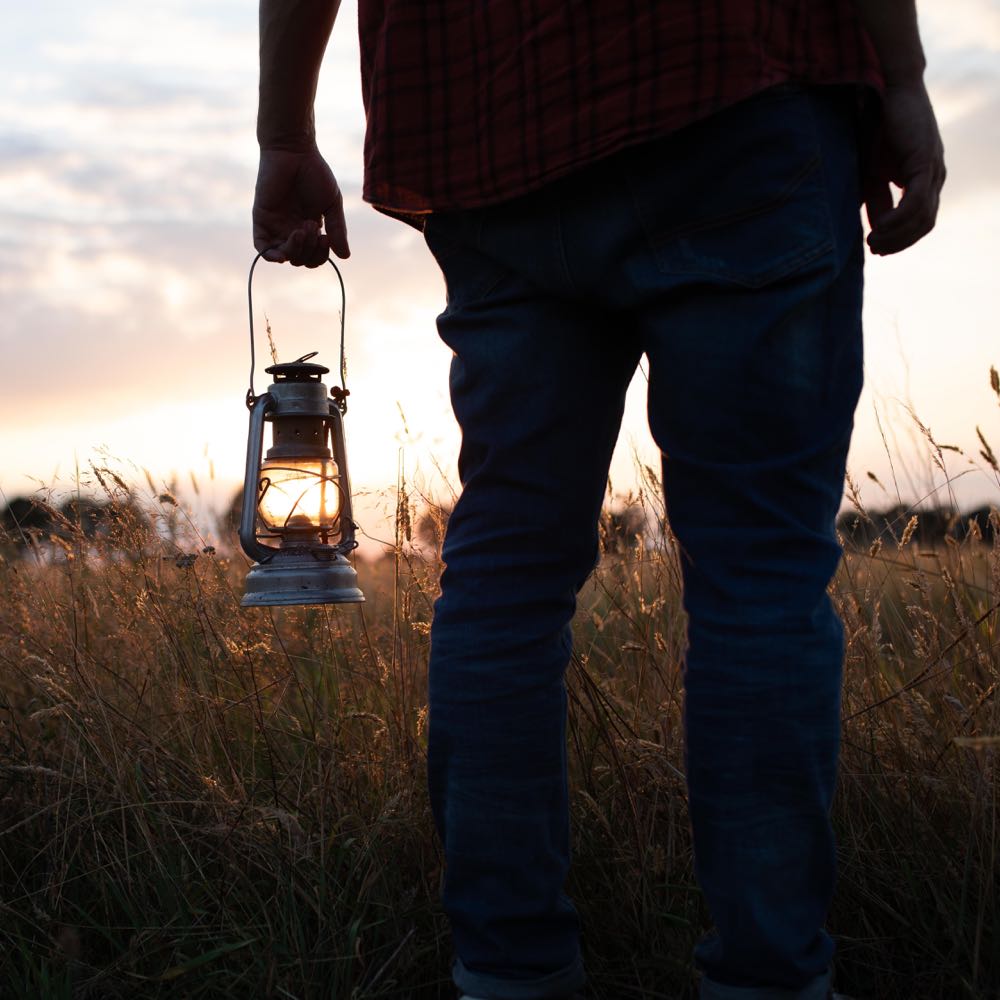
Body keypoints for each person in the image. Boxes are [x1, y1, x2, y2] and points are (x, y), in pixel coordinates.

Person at [252, 2, 945, 998]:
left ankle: (506, 970)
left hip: (482, 129)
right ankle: (768, 976)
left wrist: (285, 133)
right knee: (758, 571)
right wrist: (903, 75)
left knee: (503, 574)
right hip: (726, 80)